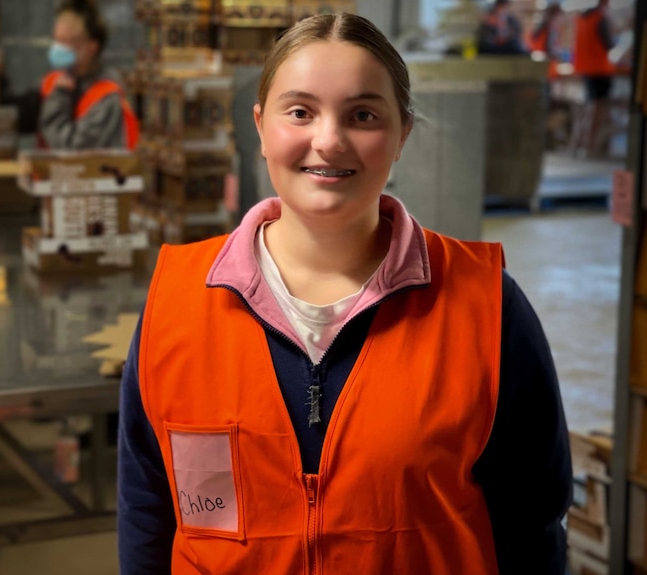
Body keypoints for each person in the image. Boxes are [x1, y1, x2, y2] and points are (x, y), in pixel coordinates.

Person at [118, 12, 572, 575]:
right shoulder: (179, 301)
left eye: (362, 115)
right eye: (300, 112)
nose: (328, 141)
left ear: (402, 134)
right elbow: (147, 507)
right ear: (260, 127)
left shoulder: (486, 305)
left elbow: (532, 520)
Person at [38, 0, 139, 150]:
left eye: (67, 41)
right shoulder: (56, 81)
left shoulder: (106, 96)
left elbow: (71, 150)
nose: (59, 48)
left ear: (92, 46)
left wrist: (59, 98)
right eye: (57, 40)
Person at [570, 0, 616, 155]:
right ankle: (589, 145)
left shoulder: (581, 18)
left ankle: (578, 144)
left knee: (589, 107)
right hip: (599, 69)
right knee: (598, 108)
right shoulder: (599, 18)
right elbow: (609, 44)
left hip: (585, 68)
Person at [529, 2, 564, 78]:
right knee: (546, 86)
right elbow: (550, 47)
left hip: (539, 61)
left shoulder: (542, 25)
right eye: (560, 15)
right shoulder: (551, 28)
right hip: (548, 62)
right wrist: (558, 55)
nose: (561, 19)